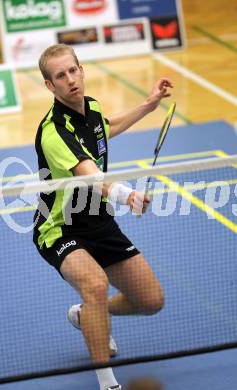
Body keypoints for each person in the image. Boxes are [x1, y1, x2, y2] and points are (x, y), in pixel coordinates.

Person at [33, 44, 172, 390]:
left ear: (81, 70)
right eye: (60, 76)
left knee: (151, 300)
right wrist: (129, 196)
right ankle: (108, 383)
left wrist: (149, 103)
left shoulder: (91, 107)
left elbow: (107, 126)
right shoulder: (54, 132)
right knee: (95, 286)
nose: (70, 80)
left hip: (99, 222)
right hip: (60, 227)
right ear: (50, 86)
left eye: (73, 70)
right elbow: (91, 176)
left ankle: (87, 316)